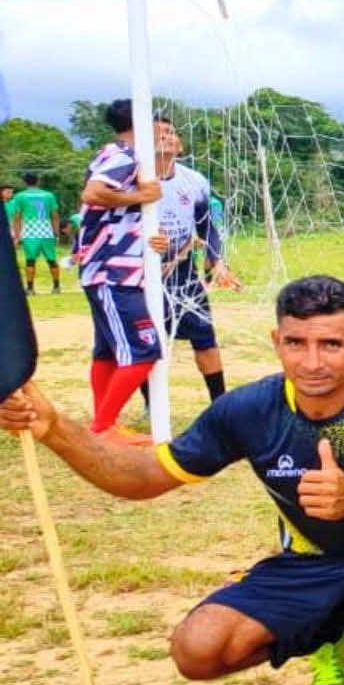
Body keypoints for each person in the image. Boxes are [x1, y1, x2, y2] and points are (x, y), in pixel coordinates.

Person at [0, 277, 344, 685]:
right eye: (296, 343)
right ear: (276, 342)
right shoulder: (249, 410)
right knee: (199, 650)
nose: (312, 362)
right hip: (307, 563)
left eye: (331, 345)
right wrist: (54, 429)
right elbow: (142, 476)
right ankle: (326, 632)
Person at [76, 100, 167, 441]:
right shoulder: (125, 157)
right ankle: (103, 427)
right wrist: (141, 196)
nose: (162, 131)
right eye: (158, 123)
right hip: (113, 271)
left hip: (111, 269)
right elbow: (93, 193)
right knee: (144, 350)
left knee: (108, 351)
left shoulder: (116, 154)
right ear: (142, 123)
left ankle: (104, 425)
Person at [148, 123, 239, 405]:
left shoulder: (194, 181)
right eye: (159, 132)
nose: (166, 136)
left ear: (181, 145)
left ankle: (219, 402)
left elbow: (206, 226)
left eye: (172, 131)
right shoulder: (135, 181)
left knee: (204, 335)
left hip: (183, 269)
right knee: (146, 342)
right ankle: (151, 405)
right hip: (143, 272)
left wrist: (216, 260)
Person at [8, 173, 63, 293]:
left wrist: (17, 236)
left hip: (30, 231)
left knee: (30, 260)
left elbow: (17, 217)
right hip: (46, 230)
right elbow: (54, 215)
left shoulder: (20, 196)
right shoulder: (48, 195)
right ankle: (56, 286)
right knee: (51, 259)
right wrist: (56, 233)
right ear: (38, 181)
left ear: (24, 182)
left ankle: (30, 288)